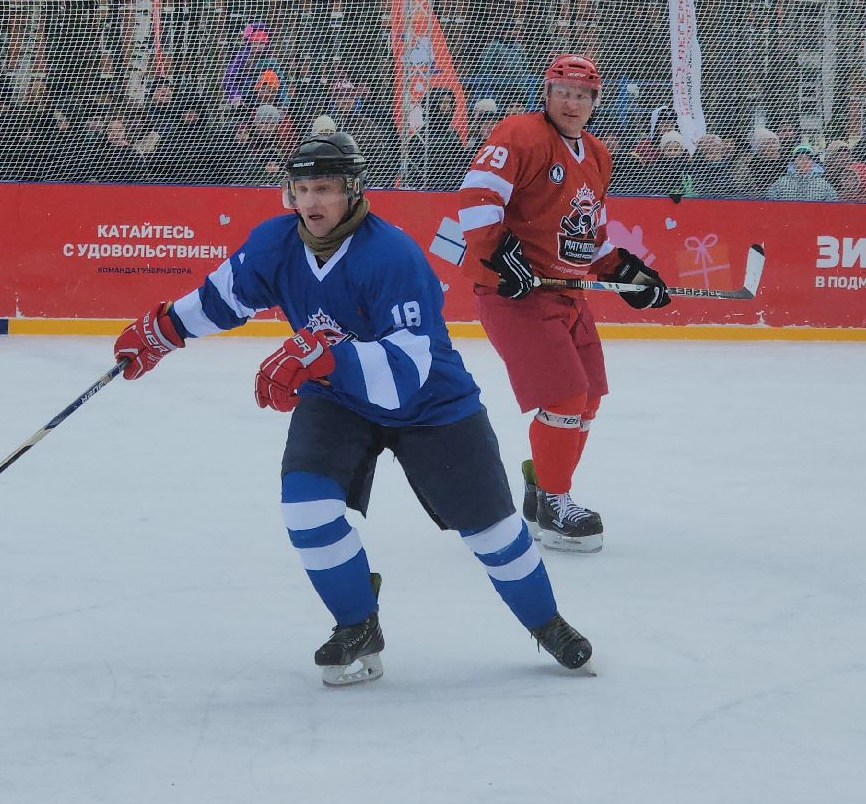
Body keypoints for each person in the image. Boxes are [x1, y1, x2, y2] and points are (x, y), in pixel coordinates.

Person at [112, 132, 594, 684]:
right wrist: (160, 333)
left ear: (352, 191)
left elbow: (407, 371)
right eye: (302, 189)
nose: (312, 202)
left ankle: (546, 622)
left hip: (432, 406)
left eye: (325, 189)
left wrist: (323, 357)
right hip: (338, 400)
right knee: (306, 510)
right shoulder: (275, 244)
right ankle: (357, 624)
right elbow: (223, 298)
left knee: (493, 534)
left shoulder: (391, 255)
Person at [452, 53, 672, 553]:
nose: (572, 103)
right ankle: (555, 501)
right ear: (546, 95)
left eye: (583, 95)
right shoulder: (520, 135)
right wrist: (498, 253)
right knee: (564, 397)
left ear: (595, 103)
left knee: (589, 397)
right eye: (563, 92)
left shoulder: (596, 154)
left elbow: (589, 234)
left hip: (568, 294)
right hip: (517, 295)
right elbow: (476, 196)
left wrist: (628, 274)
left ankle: (542, 486)